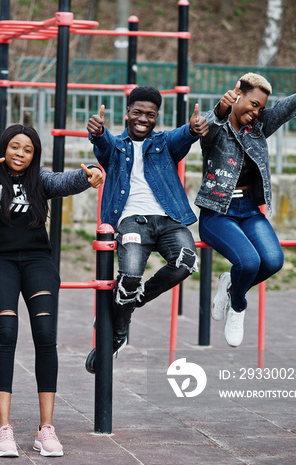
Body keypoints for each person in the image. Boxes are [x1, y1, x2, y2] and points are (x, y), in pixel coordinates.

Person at [0, 124, 104, 458]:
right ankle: (4, 428)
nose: (20, 153)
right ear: (4, 147)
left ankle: (45, 428)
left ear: (35, 154)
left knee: (45, 334)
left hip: (37, 261)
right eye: (14, 147)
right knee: (6, 333)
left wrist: (89, 176)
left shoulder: (40, 180)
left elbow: (64, 181)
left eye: (27, 149)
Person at [196, 72, 296, 347]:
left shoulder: (258, 126)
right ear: (238, 95)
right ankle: (238, 307)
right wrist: (222, 107)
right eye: (253, 104)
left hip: (248, 209)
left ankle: (232, 285)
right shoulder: (215, 126)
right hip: (216, 212)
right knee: (248, 261)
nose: (256, 111)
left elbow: (285, 108)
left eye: (260, 107)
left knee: (272, 260)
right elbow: (210, 125)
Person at [86, 86, 209, 357]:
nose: (143, 118)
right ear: (127, 113)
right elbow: (102, 142)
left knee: (186, 262)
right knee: (128, 279)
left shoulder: (165, 143)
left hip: (169, 220)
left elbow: (184, 135)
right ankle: (117, 336)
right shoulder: (115, 147)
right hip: (132, 221)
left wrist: (192, 128)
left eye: (150, 115)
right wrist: (96, 131)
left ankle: (130, 303)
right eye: (138, 112)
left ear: (156, 117)